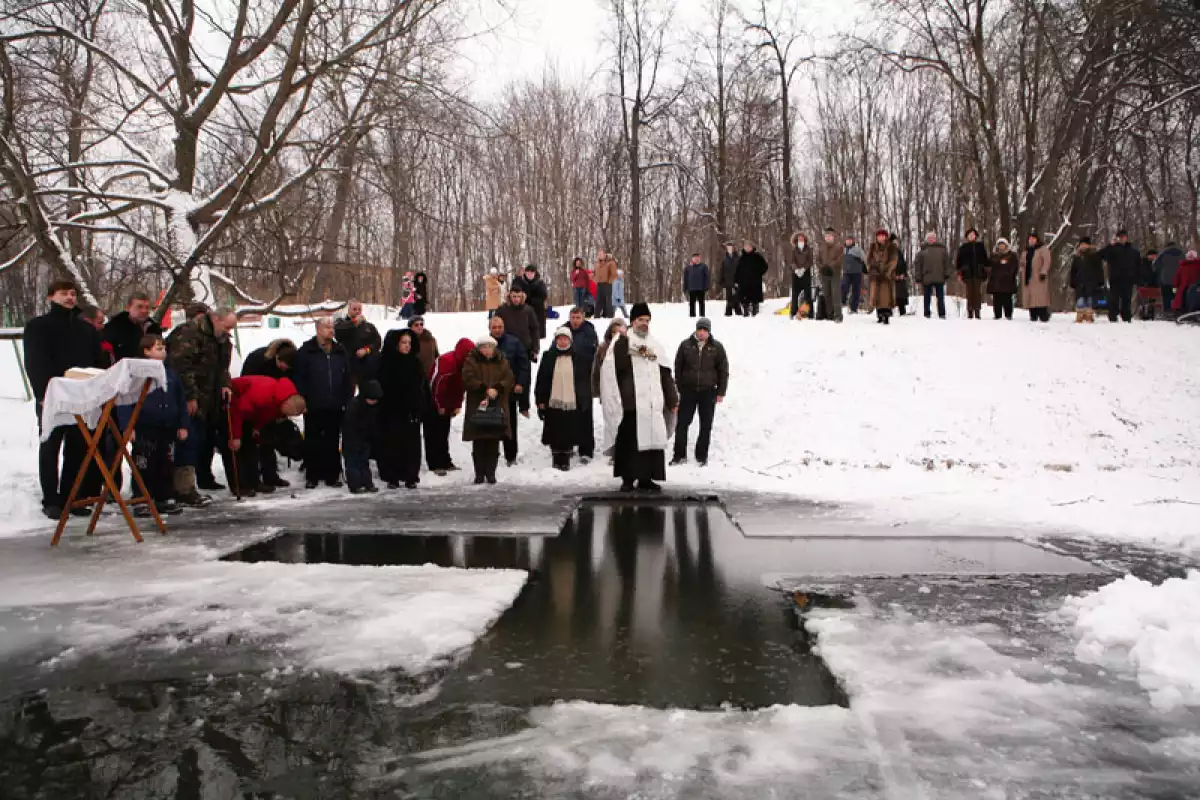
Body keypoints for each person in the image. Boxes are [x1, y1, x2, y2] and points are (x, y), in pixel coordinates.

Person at [23, 279, 108, 518]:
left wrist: (97, 389)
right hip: (52, 395)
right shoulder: (38, 326)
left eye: (72, 293)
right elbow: (35, 361)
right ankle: (51, 499)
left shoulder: (86, 329)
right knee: (51, 445)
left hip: (82, 396)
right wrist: (42, 393)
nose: (70, 297)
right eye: (64, 293)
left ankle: (72, 496)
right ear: (50, 297)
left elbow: (97, 362)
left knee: (78, 447)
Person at [598, 302, 678, 492]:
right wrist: (624, 340)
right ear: (633, 321)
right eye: (641, 319)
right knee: (629, 444)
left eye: (647, 320)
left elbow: (665, 373)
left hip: (651, 403)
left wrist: (672, 399)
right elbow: (615, 368)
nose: (644, 323)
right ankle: (627, 479)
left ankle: (646, 478)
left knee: (650, 444)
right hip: (631, 404)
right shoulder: (623, 342)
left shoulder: (655, 345)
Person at [167, 306, 235, 503]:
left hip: (210, 398)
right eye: (227, 327)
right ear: (216, 319)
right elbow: (180, 367)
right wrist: (190, 396)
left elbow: (223, 367)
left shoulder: (222, 340)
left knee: (201, 441)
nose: (228, 332)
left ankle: (196, 481)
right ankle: (183, 489)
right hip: (189, 397)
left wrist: (226, 384)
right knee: (187, 442)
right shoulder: (188, 333)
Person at [114, 335, 187, 516]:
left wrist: (183, 424)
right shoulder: (136, 374)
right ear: (146, 351)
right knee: (144, 463)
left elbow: (180, 399)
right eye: (158, 348)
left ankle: (165, 497)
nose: (163, 352)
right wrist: (127, 426)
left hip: (168, 425)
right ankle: (141, 498)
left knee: (166, 462)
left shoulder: (171, 373)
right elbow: (124, 401)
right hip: (145, 426)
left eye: (164, 348)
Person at [293, 316, 352, 488]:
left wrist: (347, 399)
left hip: (335, 404)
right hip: (314, 404)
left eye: (332, 327)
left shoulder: (340, 351)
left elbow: (347, 377)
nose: (331, 330)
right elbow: (300, 378)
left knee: (332, 441)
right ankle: (313, 475)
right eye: (327, 327)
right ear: (318, 329)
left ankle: (332, 475)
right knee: (313, 440)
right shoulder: (306, 351)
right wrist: (302, 400)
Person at [226, 375, 306, 497]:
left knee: (252, 447)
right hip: (231, 403)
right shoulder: (263, 395)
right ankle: (239, 486)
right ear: (285, 405)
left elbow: (267, 413)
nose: (285, 417)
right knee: (237, 448)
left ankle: (254, 482)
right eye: (287, 414)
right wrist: (236, 436)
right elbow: (239, 411)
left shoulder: (281, 398)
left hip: (248, 410)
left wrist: (257, 427)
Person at [240, 338, 297, 488]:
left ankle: (270, 475)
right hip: (253, 404)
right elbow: (246, 382)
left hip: (274, 406)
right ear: (277, 357)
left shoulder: (292, 362)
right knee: (252, 442)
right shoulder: (257, 359)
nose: (284, 369)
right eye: (282, 365)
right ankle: (252, 480)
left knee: (269, 441)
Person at [671, 318, 728, 466]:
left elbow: (723, 370)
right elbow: (678, 367)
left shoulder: (717, 347)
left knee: (706, 425)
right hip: (688, 391)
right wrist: (680, 386)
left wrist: (721, 391)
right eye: (699, 329)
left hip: (708, 392)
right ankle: (679, 455)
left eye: (705, 330)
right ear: (696, 330)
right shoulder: (685, 345)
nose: (702, 333)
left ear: (709, 331)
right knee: (682, 423)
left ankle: (701, 456)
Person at [535, 327, 594, 471]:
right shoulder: (548, 356)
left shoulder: (578, 357)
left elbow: (583, 380)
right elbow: (542, 379)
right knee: (555, 432)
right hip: (553, 402)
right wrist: (540, 400)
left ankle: (566, 460)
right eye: (559, 339)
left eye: (565, 338)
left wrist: (583, 399)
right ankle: (556, 459)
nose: (562, 341)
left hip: (571, 402)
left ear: (570, 340)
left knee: (569, 432)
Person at [378, 329, 428, 489]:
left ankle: (410, 476)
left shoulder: (415, 363)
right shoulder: (386, 363)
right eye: (403, 343)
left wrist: (420, 406)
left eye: (409, 343)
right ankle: (392, 476)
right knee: (392, 444)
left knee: (411, 445)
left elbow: (422, 387)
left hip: (411, 411)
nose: (407, 346)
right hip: (391, 411)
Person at [461, 335, 515, 485]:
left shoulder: (502, 361)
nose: (487, 350)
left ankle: (491, 473)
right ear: (479, 348)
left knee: (493, 440)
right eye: (484, 347)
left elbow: (509, 378)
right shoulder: (471, 361)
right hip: (477, 405)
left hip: (497, 404)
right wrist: (484, 389)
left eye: (489, 347)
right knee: (479, 440)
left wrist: (498, 388)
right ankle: (479, 474)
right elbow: (467, 378)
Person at [428, 338, 475, 474]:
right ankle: (435, 464)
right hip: (433, 401)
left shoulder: (466, 364)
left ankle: (445, 461)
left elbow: (461, 387)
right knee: (434, 433)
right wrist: (440, 405)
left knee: (444, 432)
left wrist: (456, 405)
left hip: (448, 401)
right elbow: (437, 386)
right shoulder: (447, 362)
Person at [489, 315, 531, 467]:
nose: (497, 330)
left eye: (500, 327)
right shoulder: (485, 344)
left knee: (510, 425)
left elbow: (524, 365)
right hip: (491, 392)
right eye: (494, 327)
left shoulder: (515, 342)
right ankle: (491, 455)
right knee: (491, 425)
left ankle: (511, 456)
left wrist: (520, 382)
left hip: (509, 392)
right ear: (489, 329)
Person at [566, 307, 598, 461]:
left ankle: (586, 450)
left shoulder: (589, 332)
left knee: (585, 413)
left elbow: (593, 353)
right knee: (568, 413)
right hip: (567, 377)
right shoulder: (564, 330)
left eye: (578, 317)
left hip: (584, 377)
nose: (575, 321)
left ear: (583, 318)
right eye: (573, 317)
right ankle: (569, 444)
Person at [342, 379, 382, 494]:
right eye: (372, 399)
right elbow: (349, 426)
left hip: (365, 440)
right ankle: (355, 485)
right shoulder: (354, 406)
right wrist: (352, 442)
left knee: (364, 463)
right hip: (352, 441)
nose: (373, 402)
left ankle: (367, 483)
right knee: (353, 464)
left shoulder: (372, 408)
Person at [104, 291, 162, 363]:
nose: (144, 311)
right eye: (139, 307)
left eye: (147, 307)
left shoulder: (153, 327)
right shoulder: (115, 327)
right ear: (128, 308)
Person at [334, 299, 381, 386]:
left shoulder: (368, 326)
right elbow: (337, 333)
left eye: (359, 309)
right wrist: (354, 322)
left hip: (366, 366)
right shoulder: (341, 322)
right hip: (348, 365)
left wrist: (367, 350)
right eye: (354, 309)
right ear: (348, 309)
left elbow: (377, 342)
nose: (357, 311)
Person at [1100, 230, 1140, 323]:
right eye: (1120, 237)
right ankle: (1113, 316)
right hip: (1115, 278)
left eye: (1124, 237)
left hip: (1128, 279)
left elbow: (1138, 266)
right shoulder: (1112, 250)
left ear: (1127, 238)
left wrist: (1137, 279)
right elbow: (1102, 255)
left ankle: (1126, 316)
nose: (1122, 239)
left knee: (1127, 299)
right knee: (1114, 298)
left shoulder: (1133, 252)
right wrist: (1110, 245)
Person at [495, 287, 541, 360]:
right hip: (507, 349)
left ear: (522, 296)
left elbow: (534, 329)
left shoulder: (528, 310)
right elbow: (495, 328)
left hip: (525, 348)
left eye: (519, 296)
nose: (516, 299)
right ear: (509, 296)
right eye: (514, 296)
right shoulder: (501, 310)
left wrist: (535, 348)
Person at [913, 231, 952, 319]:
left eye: (933, 238)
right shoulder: (922, 251)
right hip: (927, 277)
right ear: (927, 239)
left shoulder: (942, 250)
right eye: (929, 238)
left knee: (940, 297)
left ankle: (942, 313)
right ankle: (926, 313)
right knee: (927, 297)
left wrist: (947, 273)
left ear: (935, 239)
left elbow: (947, 263)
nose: (931, 239)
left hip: (939, 277)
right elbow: (918, 265)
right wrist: (918, 277)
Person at [956, 229, 990, 320]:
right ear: (967, 237)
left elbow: (985, 259)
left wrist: (986, 270)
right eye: (969, 235)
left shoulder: (980, 246)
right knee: (969, 293)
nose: (971, 236)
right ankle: (970, 312)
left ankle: (977, 312)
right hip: (967, 273)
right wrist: (959, 273)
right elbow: (959, 261)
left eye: (973, 234)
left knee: (977, 293)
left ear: (976, 236)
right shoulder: (963, 247)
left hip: (978, 272)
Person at [1070, 237, 1106, 323]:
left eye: (1085, 244)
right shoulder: (1077, 256)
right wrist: (1072, 281)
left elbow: (1099, 269)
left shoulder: (1094, 255)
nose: (1083, 246)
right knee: (1080, 300)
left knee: (1090, 300)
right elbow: (1073, 270)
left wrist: (1100, 281)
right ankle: (1080, 316)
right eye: (1081, 244)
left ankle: (1089, 316)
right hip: (1080, 282)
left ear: (1089, 245)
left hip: (1091, 282)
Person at [867, 229, 899, 325]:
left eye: (883, 236)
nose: (881, 238)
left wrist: (887, 270)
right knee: (876, 295)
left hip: (887, 275)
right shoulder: (873, 246)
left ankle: (886, 315)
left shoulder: (891, 246)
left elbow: (894, 260)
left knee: (885, 295)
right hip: (875, 274)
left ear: (886, 237)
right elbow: (869, 259)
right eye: (879, 236)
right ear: (876, 237)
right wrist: (873, 267)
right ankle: (879, 314)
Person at [592, 318, 627, 400]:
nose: (617, 335)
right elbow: (596, 370)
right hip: (608, 391)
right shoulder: (603, 348)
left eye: (620, 332)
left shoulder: (631, 347)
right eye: (614, 332)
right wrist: (596, 390)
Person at [1021, 232, 1053, 322]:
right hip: (1028, 277)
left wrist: (1043, 272)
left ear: (1037, 240)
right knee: (1031, 298)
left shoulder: (1042, 249)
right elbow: (1022, 262)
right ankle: (1033, 315)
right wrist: (1022, 268)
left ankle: (1044, 315)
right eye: (1030, 239)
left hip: (1038, 276)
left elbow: (1047, 261)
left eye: (1033, 239)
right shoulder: (1026, 251)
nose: (1031, 241)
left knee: (1040, 297)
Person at [512, 264, 549, 338]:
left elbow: (543, 296)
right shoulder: (521, 282)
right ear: (525, 273)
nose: (530, 275)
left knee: (536, 334)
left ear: (535, 273)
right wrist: (518, 278)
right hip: (524, 311)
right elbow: (514, 290)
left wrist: (529, 300)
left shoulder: (540, 283)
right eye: (528, 273)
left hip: (537, 311)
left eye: (532, 273)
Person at [987, 238, 1019, 320]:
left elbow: (1014, 267)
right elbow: (989, 266)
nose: (1001, 246)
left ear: (1006, 245)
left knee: (1007, 299)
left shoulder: (1011, 255)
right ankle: (997, 315)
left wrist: (1009, 274)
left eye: (1003, 244)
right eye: (1000, 245)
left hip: (1007, 281)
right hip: (996, 281)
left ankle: (1008, 315)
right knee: (996, 299)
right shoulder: (994, 255)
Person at [817, 228, 844, 322]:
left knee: (835, 294)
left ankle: (838, 315)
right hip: (824, 274)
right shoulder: (821, 248)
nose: (828, 238)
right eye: (826, 236)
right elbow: (817, 260)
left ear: (833, 237)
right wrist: (822, 268)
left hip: (834, 273)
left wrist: (830, 266)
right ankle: (830, 314)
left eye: (830, 236)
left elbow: (840, 259)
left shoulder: (839, 247)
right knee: (827, 294)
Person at [735, 240, 768, 316]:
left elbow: (765, 266)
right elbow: (737, 270)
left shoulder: (757, 257)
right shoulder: (741, 258)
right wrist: (736, 280)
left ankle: (755, 313)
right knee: (744, 300)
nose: (747, 248)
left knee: (755, 299)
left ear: (752, 247)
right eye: (745, 246)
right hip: (744, 282)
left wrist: (759, 273)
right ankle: (746, 312)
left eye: (749, 246)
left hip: (755, 282)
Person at [790, 233, 814, 319]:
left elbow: (810, 261)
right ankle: (793, 312)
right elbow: (792, 261)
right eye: (799, 239)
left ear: (805, 240)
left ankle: (810, 313)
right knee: (795, 294)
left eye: (802, 239)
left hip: (806, 273)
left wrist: (803, 269)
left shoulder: (809, 249)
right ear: (796, 240)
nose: (800, 240)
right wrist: (796, 270)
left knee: (808, 294)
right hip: (795, 274)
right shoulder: (793, 250)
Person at [1155, 242, 1184, 314]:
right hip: (1177, 282)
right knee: (1176, 295)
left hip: (1165, 281)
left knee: (1166, 296)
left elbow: (1156, 266)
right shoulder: (1181, 254)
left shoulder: (1162, 254)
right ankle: (1177, 311)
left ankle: (1167, 312)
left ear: (1167, 246)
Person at [841, 235, 867, 314]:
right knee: (844, 286)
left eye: (850, 240)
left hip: (857, 272)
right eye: (847, 240)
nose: (848, 241)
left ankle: (854, 309)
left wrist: (865, 267)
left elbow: (864, 258)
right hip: (846, 273)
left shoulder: (857, 250)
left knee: (856, 291)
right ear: (845, 241)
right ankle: (843, 301)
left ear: (853, 241)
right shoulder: (842, 250)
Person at [594, 249, 618, 318]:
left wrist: (609, 281)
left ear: (605, 255)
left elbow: (614, 274)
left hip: (607, 284)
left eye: (601, 254)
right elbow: (595, 273)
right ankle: (597, 315)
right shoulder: (597, 264)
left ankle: (609, 315)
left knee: (608, 300)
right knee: (598, 300)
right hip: (599, 284)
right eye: (599, 254)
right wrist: (595, 280)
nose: (600, 256)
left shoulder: (611, 263)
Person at [719, 242, 741, 316]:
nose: (729, 249)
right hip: (728, 282)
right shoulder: (725, 259)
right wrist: (722, 281)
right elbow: (722, 271)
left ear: (733, 248)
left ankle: (737, 312)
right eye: (728, 248)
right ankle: (729, 313)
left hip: (737, 281)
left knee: (736, 297)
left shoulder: (738, 258)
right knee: (729, 297)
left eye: (731, 248)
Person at [892, 234, 910, 316]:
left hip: (901, 277)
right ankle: (889, 312)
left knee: (901, 296)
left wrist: (903, 274)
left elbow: (904, 265)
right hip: (892, 278)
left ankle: (902, 312)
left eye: (896, 244)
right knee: (891, 296)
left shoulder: (900, 253)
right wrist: (894, 275)